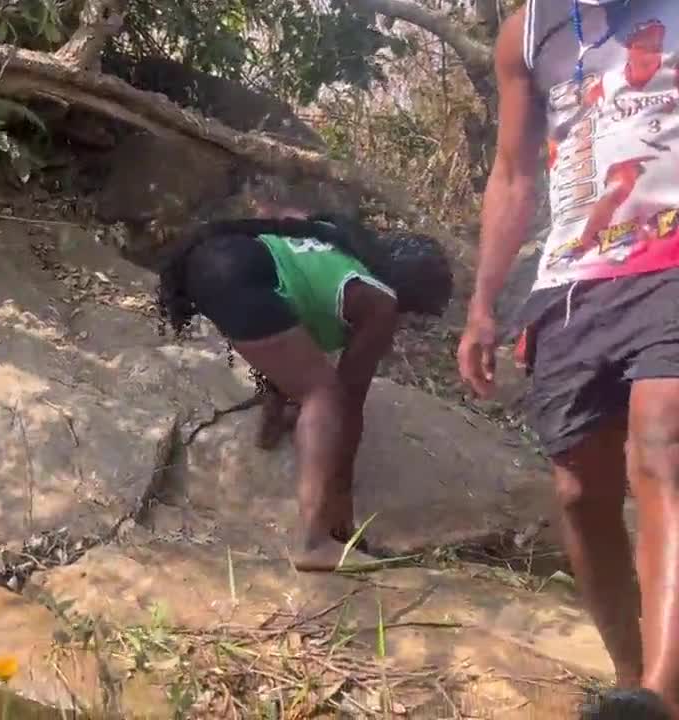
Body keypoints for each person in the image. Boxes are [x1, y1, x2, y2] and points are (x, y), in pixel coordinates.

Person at [457, 1, 679, 716]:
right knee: (580, 492)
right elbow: (513, 174)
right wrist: (483, 304)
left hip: (673, 263)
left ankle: (660, 694)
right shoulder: (528, 32)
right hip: (574, 280)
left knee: (663, 445)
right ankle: (632, 681)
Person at [156, 204, 452, 571]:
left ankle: (274, 416)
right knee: (323, 393)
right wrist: (340, 497)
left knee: (301, 365)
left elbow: (292, 304)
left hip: (212, 260)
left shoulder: (337, 239)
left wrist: (281, 402)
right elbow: (348, 401)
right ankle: (315, 542)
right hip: (243, 277)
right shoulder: (379, 302)